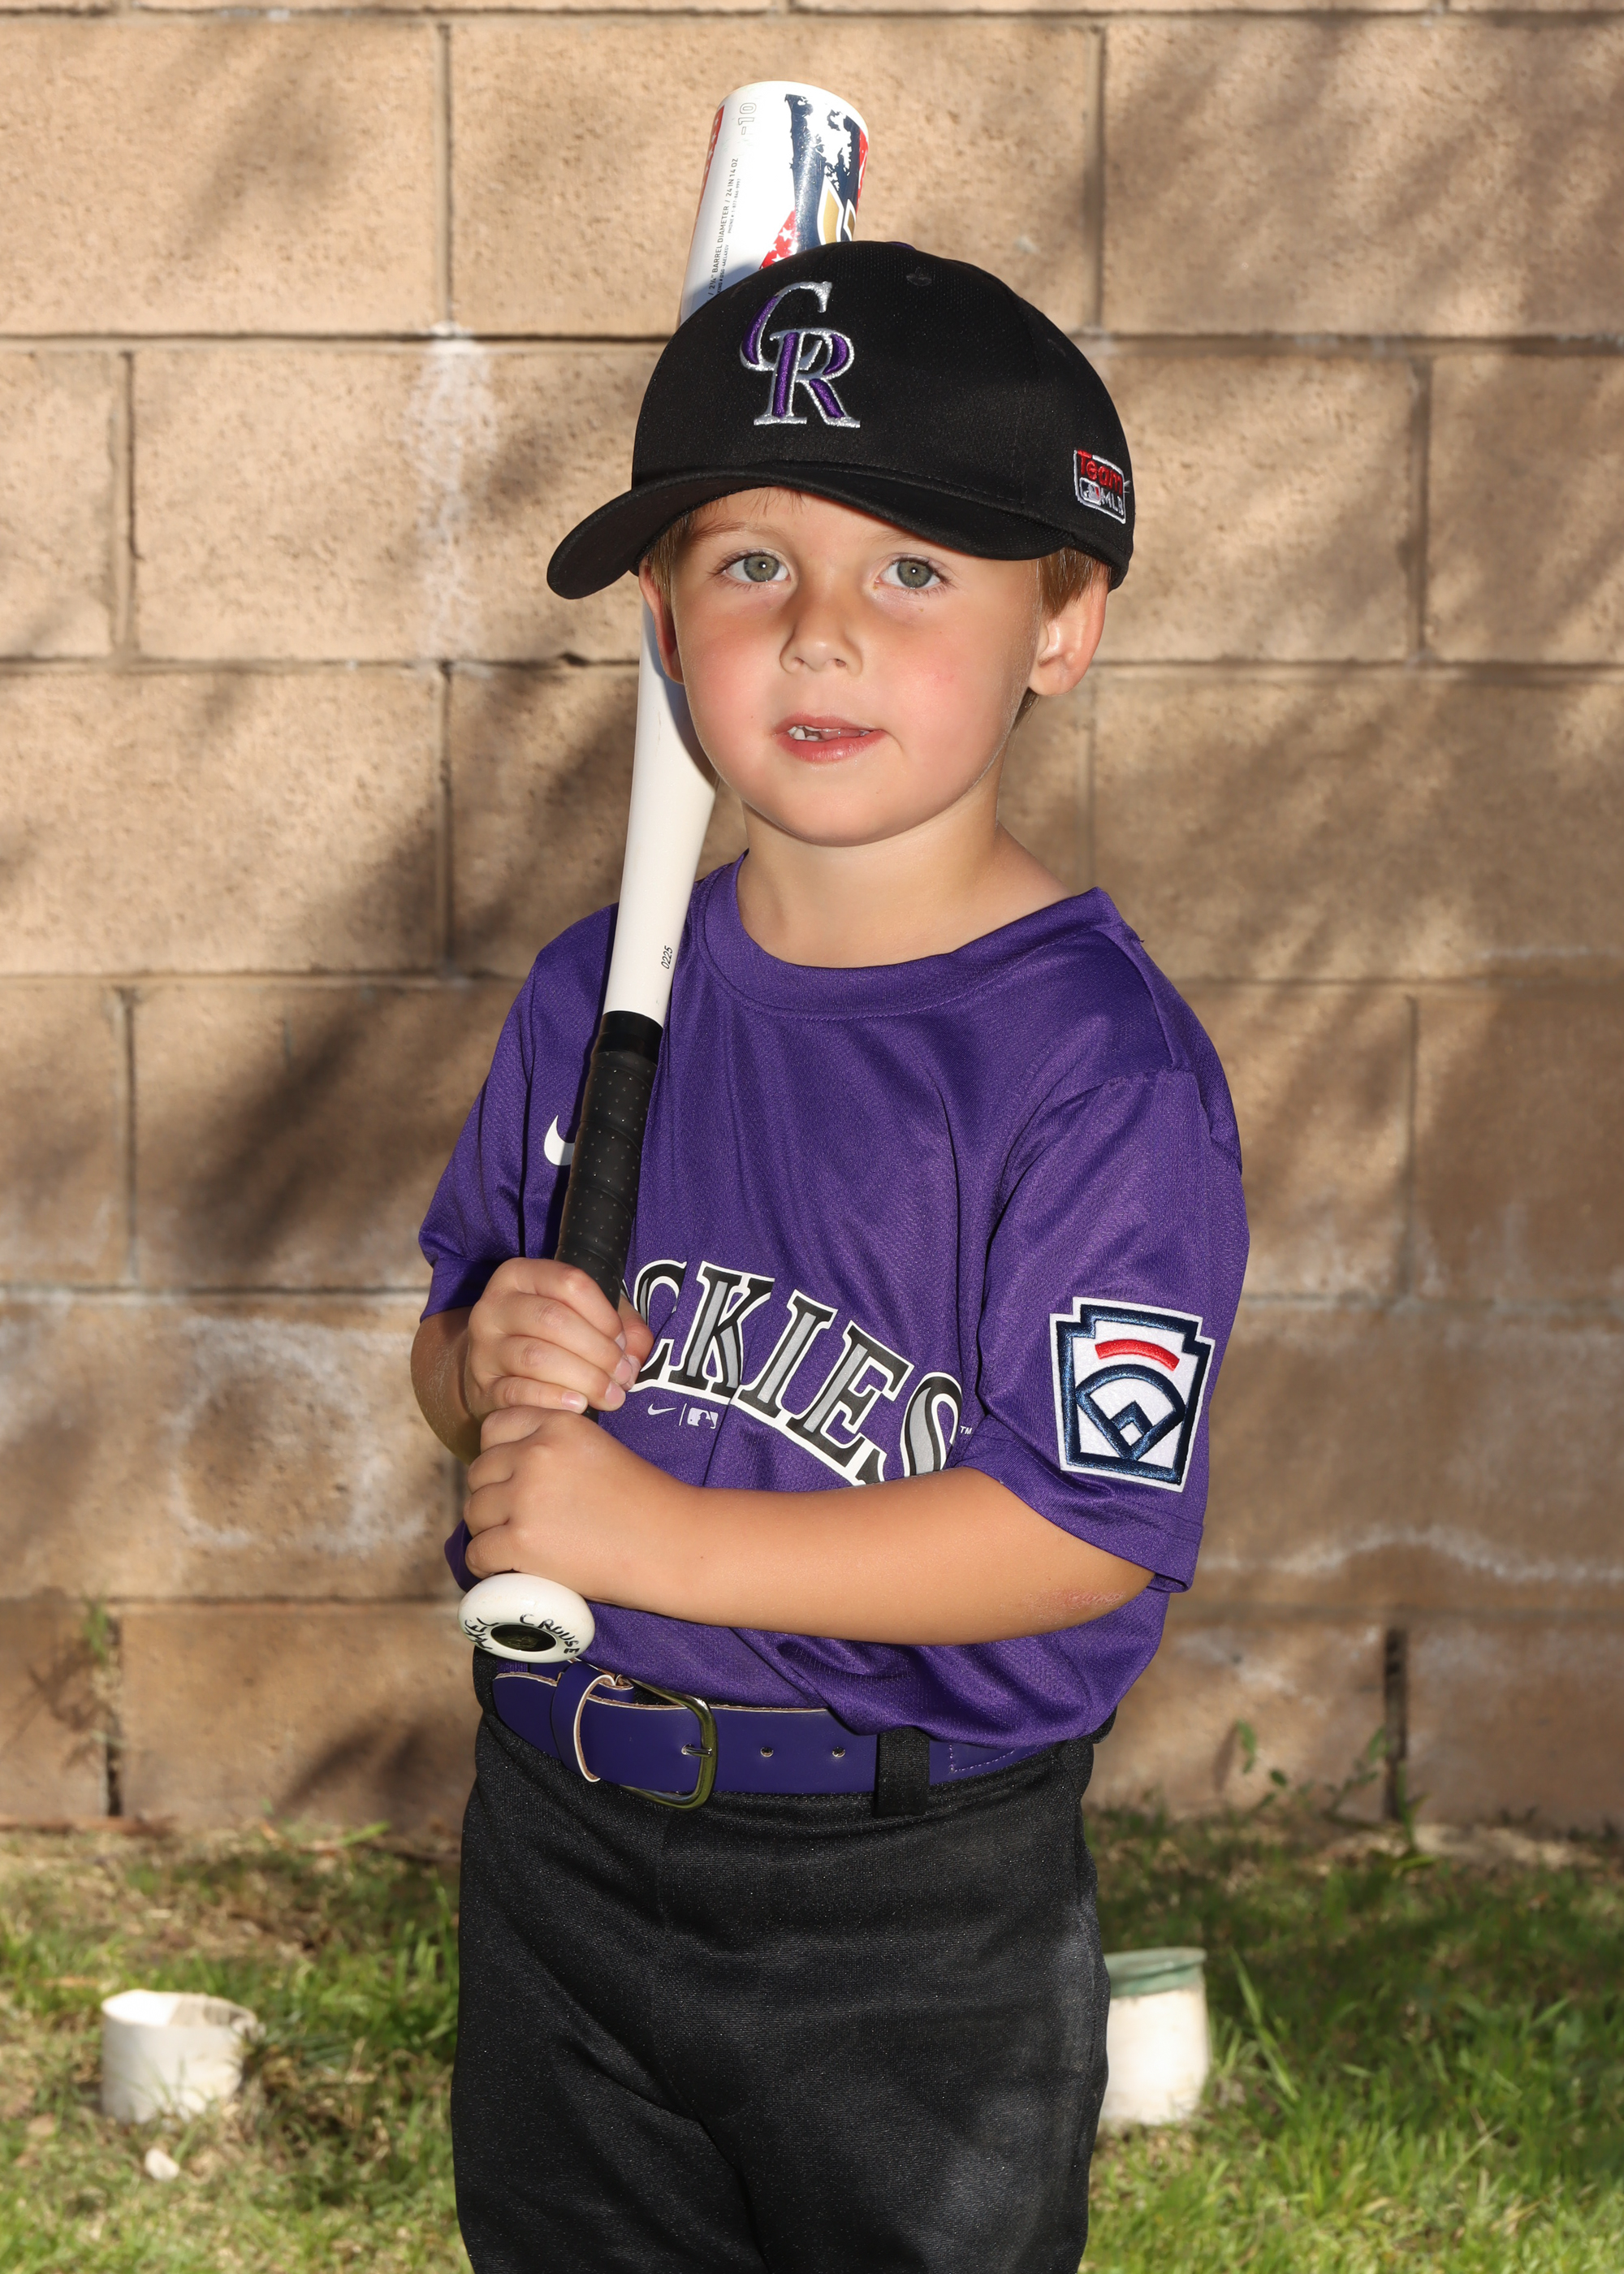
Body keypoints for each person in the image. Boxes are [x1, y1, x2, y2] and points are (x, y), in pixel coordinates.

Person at [411, 240, 1248, 2274]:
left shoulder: (1093, 1069)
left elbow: (1082, 1530)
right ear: (660, 616)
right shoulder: (595, 992)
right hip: (563, 1837)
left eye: (916, 569)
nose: (820, 633)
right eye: (751, 561)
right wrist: (482, 1355)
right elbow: (453, 1347)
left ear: (1064, 623)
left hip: (912, 1903)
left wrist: (660, 1537)